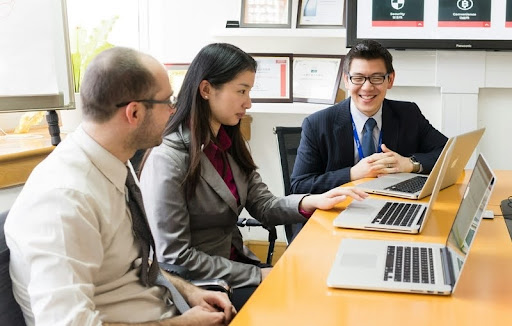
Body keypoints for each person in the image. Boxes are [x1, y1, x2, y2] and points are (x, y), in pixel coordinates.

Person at [4, 47, 235, 325]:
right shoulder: (64, 201)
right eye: (167, 101)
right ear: (134, 112)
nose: (174, 110)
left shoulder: (112, 162)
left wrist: (189, 291)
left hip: (168, 306)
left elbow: (134, 265)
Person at [138, 43, 367, 310]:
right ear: (206, 90)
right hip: (201, 288)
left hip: (237, 269)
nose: (248, 102)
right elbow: (176, 258)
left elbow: (264, 206)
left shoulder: (229, 143)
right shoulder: (167, 159)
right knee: (307, 302)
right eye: (242, 91)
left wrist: (312, 201)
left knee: (324, 283)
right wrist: (257, 274)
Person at [290, 39, 448, 194]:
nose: (367, 87)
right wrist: (353, 173)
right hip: (340, 209)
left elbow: (447, 152)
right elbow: (299, 185)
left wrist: (409, 163)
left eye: (377, 78)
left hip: (393, 206)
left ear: (390, 80)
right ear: (346, 80)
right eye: (358, 78)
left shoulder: (408, 114)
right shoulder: (317, 124)